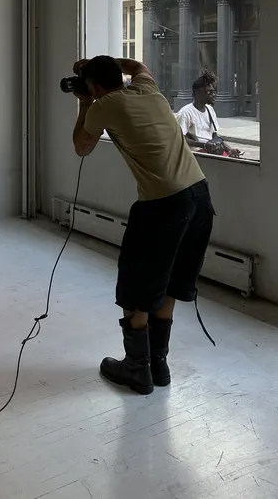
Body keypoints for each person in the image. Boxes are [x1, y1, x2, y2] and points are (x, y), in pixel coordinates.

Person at [72, 56, 215, 396]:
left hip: (163, 204)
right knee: (170, 281)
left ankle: (137, 368)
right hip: (199, 197)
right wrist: (98, 64)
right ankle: (158, 364)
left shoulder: (103, 105)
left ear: (94, 87)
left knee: (136, 282)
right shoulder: (146, 88)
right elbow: (137, 67)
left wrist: (85, 103)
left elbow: (81, 146)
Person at [176, 71, 241, 158]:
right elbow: (180, 138)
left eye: (214, 91)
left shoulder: (210, 110)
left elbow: (214, 136)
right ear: (198, 93)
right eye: (209, 92)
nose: (213, 94)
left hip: (211, 152)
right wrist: (204, 145)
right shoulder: (186, 112)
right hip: (197, 156)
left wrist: (229, 149)